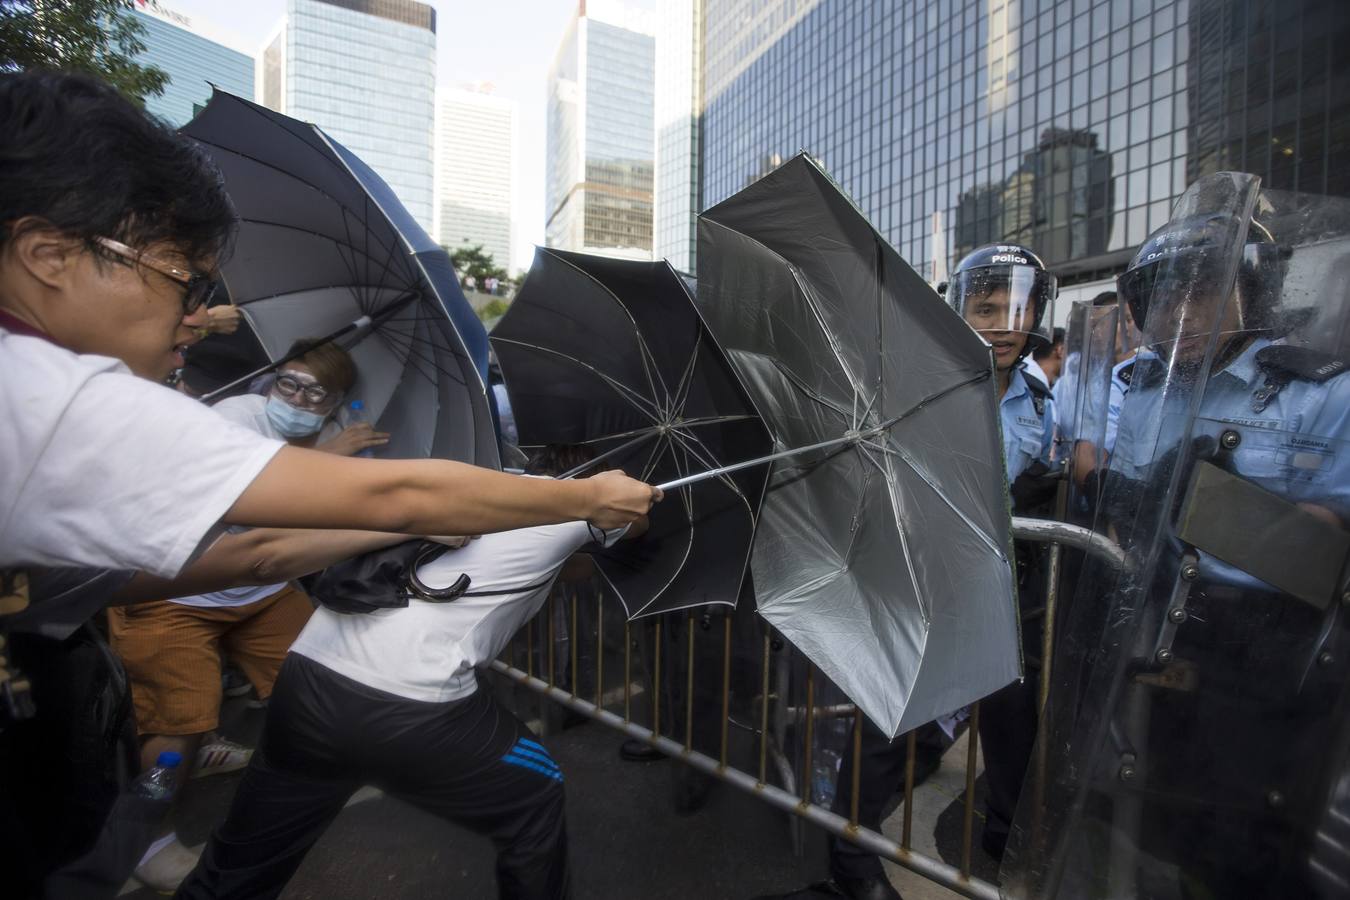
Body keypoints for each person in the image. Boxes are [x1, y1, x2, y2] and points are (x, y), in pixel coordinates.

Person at [0, 70, 658, 895]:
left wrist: (407, 519)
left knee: (231, 852)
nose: (197, 317)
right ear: (48, 255)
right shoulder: (49, 399)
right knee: (530, 795)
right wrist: (588, 499)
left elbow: (245, 560)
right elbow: (385, 503)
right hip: (383, 704)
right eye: (184, 280)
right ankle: (148, 831)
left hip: (289, 680)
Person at [176, 446, 651, 900]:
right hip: (411, 704)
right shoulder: (578, 508)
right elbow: (634, 527)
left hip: (308, 675)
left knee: (240, 862)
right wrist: (637, 496)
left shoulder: (478, 488)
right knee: (538, 793)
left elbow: (567, 569)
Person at [1068, 204, 1350, 897]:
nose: (1182, 315)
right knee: (1157, 814)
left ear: (1250, 294)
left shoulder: (1318, 390)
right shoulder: (1141, 387)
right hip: (1153, 618)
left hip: (1264, 638)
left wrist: (1205, 505)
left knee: (1252, 832)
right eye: (1164, 298)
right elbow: (1119, 504)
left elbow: (1329, 538)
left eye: (1203, 292)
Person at [106, 338, 384, 891]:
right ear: (273, 379)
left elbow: (334, 515)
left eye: (315, 392)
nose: (297, 398)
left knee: (316, 679)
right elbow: (248, 491)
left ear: (335, 403)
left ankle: (294, 772)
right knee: (173, 731)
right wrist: (332, 462)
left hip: (259, 590)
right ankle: (145, 836)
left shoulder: (336, 437)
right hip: (171, 593)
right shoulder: (236, 414)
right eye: (289, 382)